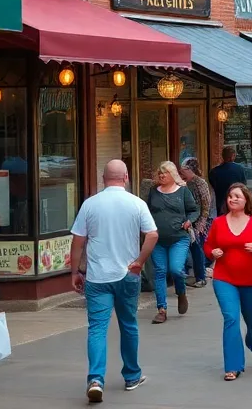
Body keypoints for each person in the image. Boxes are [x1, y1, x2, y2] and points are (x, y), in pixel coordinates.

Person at [69, 160, 158, 402]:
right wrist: (139, 261)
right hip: (128, 274)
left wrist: (75, 271)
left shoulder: (90, 205)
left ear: (103, 178)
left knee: (97, 328)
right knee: (128, 325)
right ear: (126, 177)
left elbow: (78, 241)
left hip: (98, 277)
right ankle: (132, 375)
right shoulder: (137, 204)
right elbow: (152, 234)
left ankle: (96, 379)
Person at [205, 183, 252, 380]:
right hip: (224, 278)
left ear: (246, 201)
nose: (232, 199)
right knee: (231, 318)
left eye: (237, 196)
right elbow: (208, 245)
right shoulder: (218, 222)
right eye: (230, 196)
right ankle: (233, 366)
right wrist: (213, 252)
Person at [146, 161, 198, 324]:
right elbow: (147, 211)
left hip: (179, 238)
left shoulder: (182, 191)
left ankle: (181, 293)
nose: (161, 176)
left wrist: (189, 221)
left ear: (172, 174)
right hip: (158, 239)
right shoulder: (153, 191)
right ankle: (162, 309)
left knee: (176, 269)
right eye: (160, 173)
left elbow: (193, 209)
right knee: (160, 272)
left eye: (165, 173)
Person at [179, 157, 213, 288]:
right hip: (188, 219)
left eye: (184, 171)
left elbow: (206, 204)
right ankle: (188, 274)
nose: (182, 174)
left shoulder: (200, 183)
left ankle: (201, 276)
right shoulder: (185, 183)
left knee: (197, 248)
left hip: (198, 221)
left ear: (190, 170)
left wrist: (201, 223)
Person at [209, 147, 248, 215]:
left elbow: (213, 185)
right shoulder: (240, 169)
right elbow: (244, 186)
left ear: (222, 156)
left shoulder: (214, 172)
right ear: (233, 156)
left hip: (221, 204)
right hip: (236, 202)